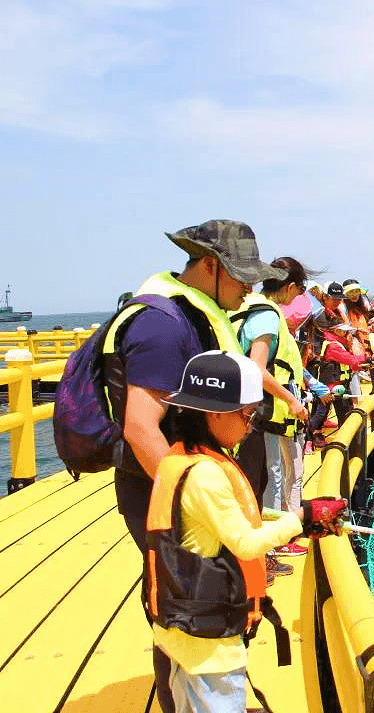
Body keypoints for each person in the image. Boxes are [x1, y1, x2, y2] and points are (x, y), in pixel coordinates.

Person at [104, 219, 284, 713]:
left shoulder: (197, 314)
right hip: (171, 496)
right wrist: (194, 501)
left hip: (189, 487)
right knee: (185, 606)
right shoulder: (163, 325)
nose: (250, 287)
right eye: (242, 275)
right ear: (209, 266)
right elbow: (141, 426)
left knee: (191, 605)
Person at [147, 350, 346, 713]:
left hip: (181, 633)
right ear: (215, 414)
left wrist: (293, 521)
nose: (250, 424)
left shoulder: (180, 458)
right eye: (247, 413)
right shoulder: (206, 474)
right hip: (208, 647)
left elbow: (228, 517)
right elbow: (246, 542)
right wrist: (301, 516)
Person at [230, 256, 315, 565]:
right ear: (289, 286)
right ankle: (271, 547)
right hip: (263, 412)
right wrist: (291, 400)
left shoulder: (247, 306)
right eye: (300, 289)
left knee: (263, 478)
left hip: (245, 411)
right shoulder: (267, 316)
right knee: (268, 480)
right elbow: (258, 368)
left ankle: (267, 547)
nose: (298, 296)